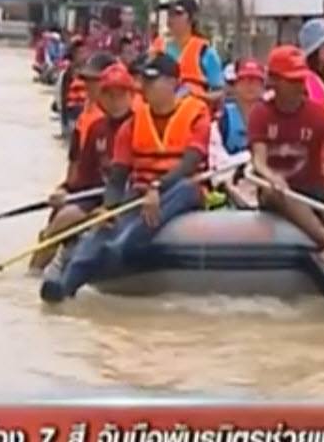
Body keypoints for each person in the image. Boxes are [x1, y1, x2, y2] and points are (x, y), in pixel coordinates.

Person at [40, 53, 212, 302]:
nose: (146, 87)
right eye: (144, 80)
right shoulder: (131, 125)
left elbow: (190, 162)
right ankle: (64, 287)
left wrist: (158, 186)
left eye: (153, 80)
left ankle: (118, 249)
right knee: (105, 225)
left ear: (173, 82)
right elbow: (118, 176)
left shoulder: (197, 113)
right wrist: (108, 209)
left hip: (182, 189)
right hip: (141, 192)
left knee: (180, 190)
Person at [247, 45, 324, 301]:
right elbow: (258, 162)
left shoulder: (319, 115)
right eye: (291, 81)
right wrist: (272, 177)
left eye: (300, 80)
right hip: (277, 191)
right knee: (285, 195)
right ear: (274, 81)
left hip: (317, 189)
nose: (298, 86)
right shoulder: (261, 114)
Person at [32, 63, 137, 272]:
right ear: (102, 97)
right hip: (98, 194)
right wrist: (65, 190)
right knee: (66, 216)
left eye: (120, 95)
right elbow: (85, 177)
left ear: (130, 96)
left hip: (130, 196)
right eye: (109, 95)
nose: (115, 101)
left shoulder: (140, 125)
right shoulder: (96, 129)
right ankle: (34, 270)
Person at [209, 59, 265, 208]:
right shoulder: (222, 121)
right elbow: (216, 165)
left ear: (263, 87)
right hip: (230, 189)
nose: (250, 85)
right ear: (236, 85)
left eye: (255, 81)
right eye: (245, 80)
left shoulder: (273, 119)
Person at [149, 0, 224, 102]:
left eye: (177, 13)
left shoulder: (205, 52)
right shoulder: (157, 48)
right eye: (169, 13)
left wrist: (196, 95)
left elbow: (219, 93)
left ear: (192, 17)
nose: (171, 18)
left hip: (194, 113)